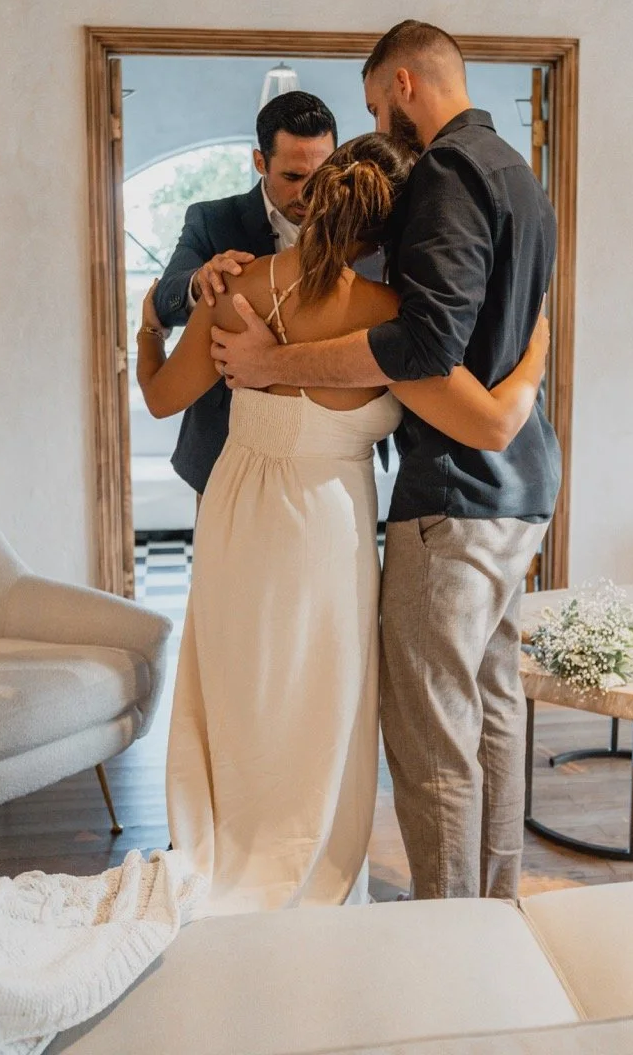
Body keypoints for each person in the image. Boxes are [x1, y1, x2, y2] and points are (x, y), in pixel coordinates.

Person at [136, 132, 549, 915]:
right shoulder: (391, 320)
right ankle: (309, 858)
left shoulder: (239, 288)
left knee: (236, 680)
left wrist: (145, 336)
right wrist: (534, 351)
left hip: (234, 508)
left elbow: (161, 398)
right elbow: (489, 422)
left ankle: (226, 840)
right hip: (323, 524)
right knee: (320, 696)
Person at [151, 90, 337, 509]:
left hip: (327, 449)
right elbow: (166, 297)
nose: (309, 192)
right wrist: (201, 282)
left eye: (321, 174)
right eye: (292, 177)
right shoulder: (214, 219)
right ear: (260, 163)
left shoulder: (360, 225)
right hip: (225, 446)